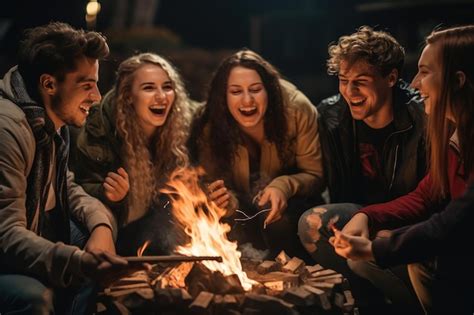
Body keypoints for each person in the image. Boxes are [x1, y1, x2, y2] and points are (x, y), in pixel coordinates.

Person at [0, 22, 144, 314]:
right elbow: (5, 234)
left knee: (95, 234)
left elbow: (66, 186)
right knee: (33, 297)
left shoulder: (47, 118)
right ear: (49, 84)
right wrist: (77, 261)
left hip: (33, 227)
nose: (97, 96)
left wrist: (102, 226)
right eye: (87, 85)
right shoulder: (9, 129)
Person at [331, 25, 474, 314]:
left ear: (457, 80)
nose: (416, 84)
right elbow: (427, 194)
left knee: (424, 259)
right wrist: (366, 215)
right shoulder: (459, 135)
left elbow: (456, 222)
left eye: (425, 71)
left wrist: (378, 248)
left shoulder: (423, 121)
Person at [297, 26, 426, 310]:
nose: (349, 91)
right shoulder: (331, 116)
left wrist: (386, 226)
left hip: (410, 217)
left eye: (361, 81)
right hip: (360, 215)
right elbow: (338, 189)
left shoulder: (422, 118)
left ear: (391, 78)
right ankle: (366, 302)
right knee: (313, 223)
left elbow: (430, 196)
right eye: (343, 80)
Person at [188, 49, 324, 258]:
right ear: (223, 97)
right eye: (236, 91)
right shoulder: (211, 122)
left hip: (291, 207)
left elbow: (316, 176)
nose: (247, 101)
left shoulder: (297, 109)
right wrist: (224, 199)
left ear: (268, 89)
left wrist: (284, 186)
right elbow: (210, 181)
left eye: (255, 89)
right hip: (240, 209)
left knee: (281, 222)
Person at [74, 52, 197, 255]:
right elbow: (77, 190)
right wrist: (109, 195)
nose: (161, 96)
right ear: (129, 96)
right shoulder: (101, 130)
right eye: (149, 88)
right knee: (162, 235)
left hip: (156, 223)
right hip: (115, 230)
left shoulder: (178, 125)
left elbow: (205, 111)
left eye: (167, 87)